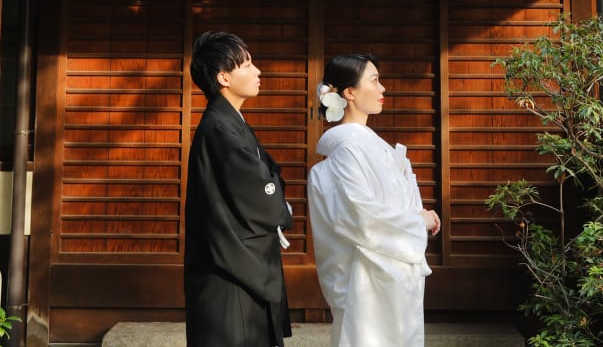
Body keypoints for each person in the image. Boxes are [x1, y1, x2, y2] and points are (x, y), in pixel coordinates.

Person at [307, 53, 440, 347]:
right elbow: (361, 217)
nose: (383, 89)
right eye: (375, 80)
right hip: (366, 286)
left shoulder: (369, 145)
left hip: (393, 277)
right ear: (349, 92)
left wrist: (418, 212)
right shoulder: (346, 150)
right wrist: (418, 221)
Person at [184, 31, 293, 347]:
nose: (257, 71)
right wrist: (278, 200)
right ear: (223, 78)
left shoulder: (229, 124)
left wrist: (273, 185)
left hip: (238, 267)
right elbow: (261, 190)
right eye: (246, 65)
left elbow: (270, 176)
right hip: (230, 274)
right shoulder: (219, 128)